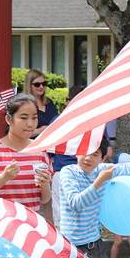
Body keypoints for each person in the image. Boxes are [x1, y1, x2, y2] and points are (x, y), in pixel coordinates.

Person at [0, 93, 52, 214]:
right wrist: (3, 178)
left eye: (34, 118)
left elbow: (45, 199)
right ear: (9, 119)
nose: (30, 124)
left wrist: (45, 184)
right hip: (1, 228)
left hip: (30, 227)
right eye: (23, 118)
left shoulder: (40, 151)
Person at [27, 69, 72, 224]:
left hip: (51, 152)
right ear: (30, 85)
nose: (41, 87)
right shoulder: (27, 104)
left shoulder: (49, 104)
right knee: (37, 186)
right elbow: (23, 130)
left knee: (50, 191)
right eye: (37, 84)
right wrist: (39, 130)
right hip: (35, 149)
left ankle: (51, 224)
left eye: (44, 84)